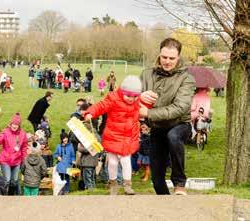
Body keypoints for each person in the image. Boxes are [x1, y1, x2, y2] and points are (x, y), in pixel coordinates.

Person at [139, 38, 196, 195]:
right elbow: (128, 97)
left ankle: (179, 182)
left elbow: (180, 107)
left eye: (172, 58)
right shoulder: (146, 74)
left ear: (178, 57)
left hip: (179, 125)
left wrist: (148, 113)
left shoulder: (186, 79)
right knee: (157, 180)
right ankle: (168, 207)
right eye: (164, 57)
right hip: (157, 128)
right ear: (159, 54)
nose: (167, 61)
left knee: (173, 136)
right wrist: (140, 97)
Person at [84, 75, 142, 195]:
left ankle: (127, 185)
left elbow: (149, 104)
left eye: (134, 97)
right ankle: (113, 184)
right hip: (113, 136)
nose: (131, 99)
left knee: (126, 161)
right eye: (128, 96)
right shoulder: (113, 99)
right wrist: (90, 113)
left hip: (128, 137)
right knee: (113, 162)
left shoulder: (138, 101)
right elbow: (101, 106)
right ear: (122, 92)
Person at [0, 113, 27, 195]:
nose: (14, 126)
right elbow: (0, 139)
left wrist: (24, 159)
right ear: (11, 124)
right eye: (13, 124)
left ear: (19, 126)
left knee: (14, 181)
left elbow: (24, 147)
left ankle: (10, 196)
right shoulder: (5, 132)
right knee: (7, 180)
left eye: (16, 125)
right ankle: (4, 195)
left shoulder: (22, 134)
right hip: (5, 160)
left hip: (17, 161)